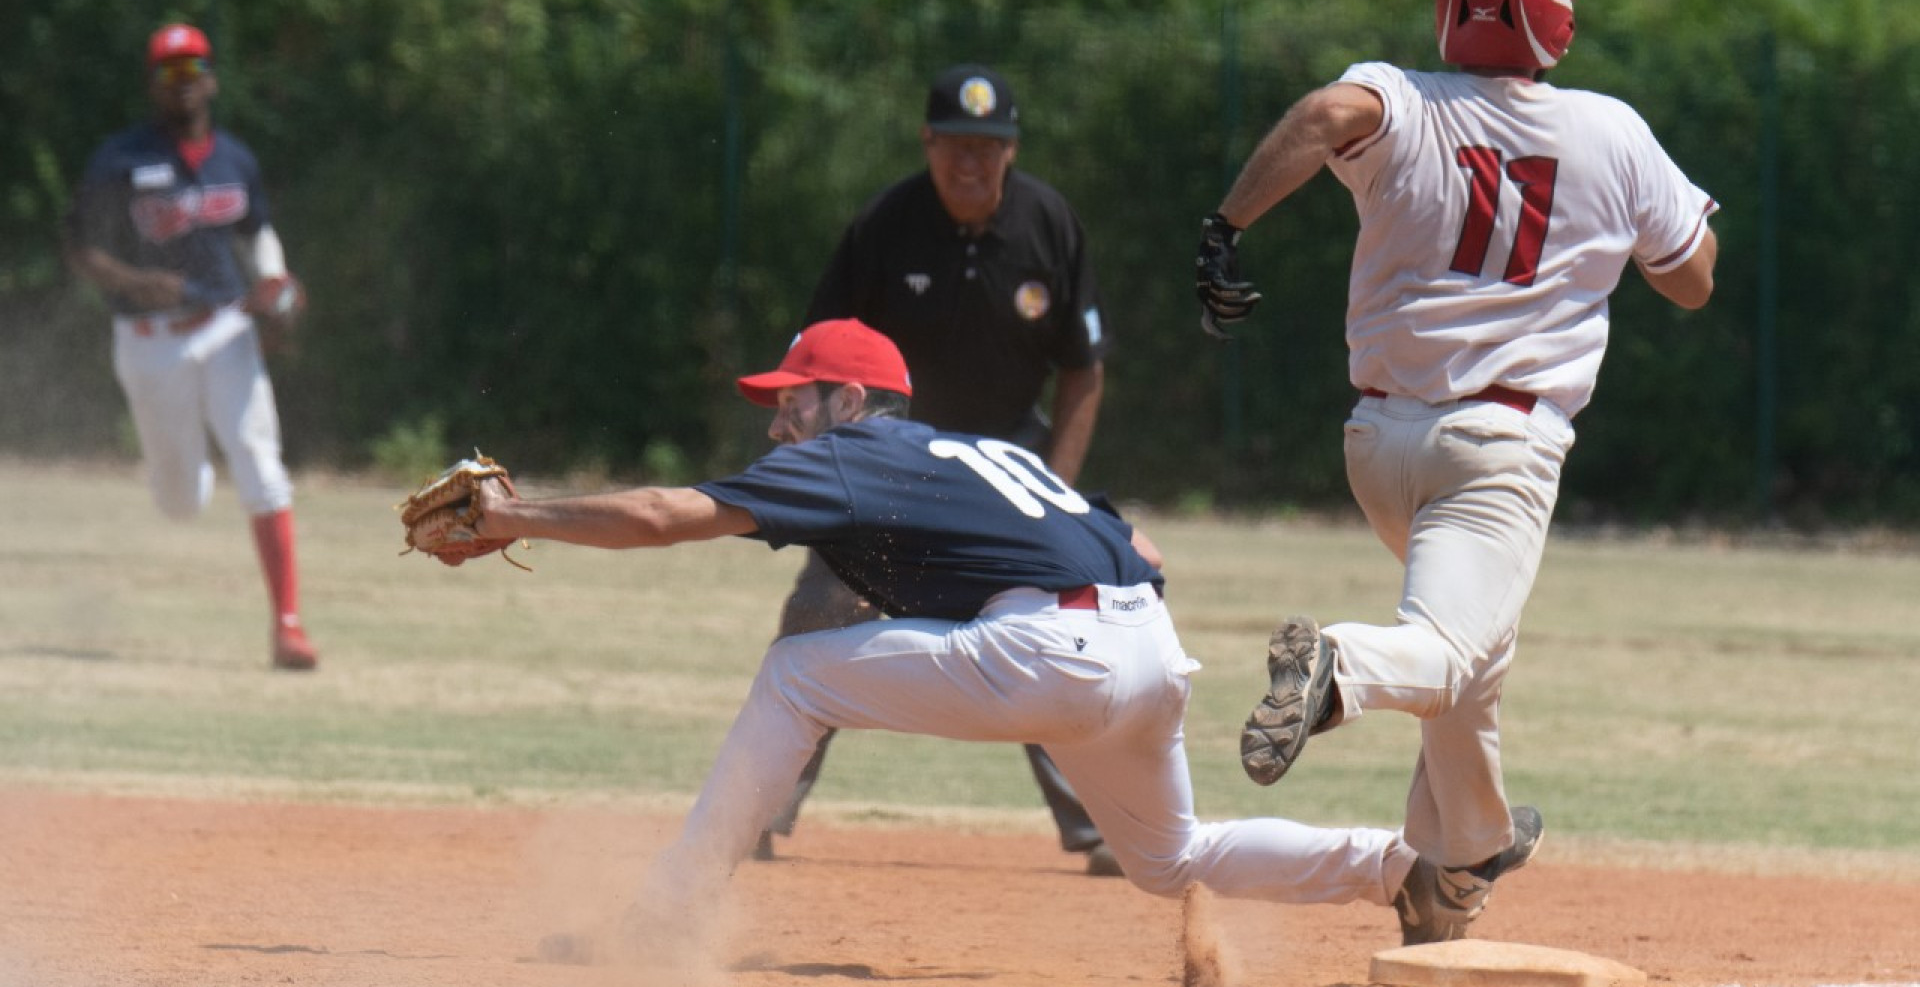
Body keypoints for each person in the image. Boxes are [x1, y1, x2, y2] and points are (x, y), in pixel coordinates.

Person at [462, 318, 1467, 966]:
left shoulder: (852, 456)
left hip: (1053, 659)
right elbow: (1145, 548)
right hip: (1149, 650)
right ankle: (1404, 868)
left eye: (791, 403)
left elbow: (662, 515)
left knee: (794, 675)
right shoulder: (983, 453)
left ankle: (671, 914)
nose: (778, 428)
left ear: (848, 404)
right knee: (1169, 857)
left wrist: (519, 516)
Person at [1192, 0, 1718, 943]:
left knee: (1476, 661)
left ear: (1448, 12)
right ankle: (1340, 668)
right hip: (1499, 451)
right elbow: (1693, 280)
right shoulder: (1608, 130)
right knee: (1439, 653)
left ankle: (1459, 862)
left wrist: (1226, 228)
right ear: (1557, 18)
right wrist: (1638, 240)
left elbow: (1319, 114)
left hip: (1378, 447)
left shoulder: (1397, 98)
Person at [762, 63, 1117, 873]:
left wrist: (1058, 487)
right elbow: (817, 355)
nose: (971, 162)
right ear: (927, 143)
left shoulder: (1048, 225)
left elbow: (1084, 368)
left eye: (988, 148)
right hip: (893, 474)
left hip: (1006, 475)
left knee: (1059, 637)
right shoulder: (887, 226)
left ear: (1012, 149)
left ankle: (1105, 826)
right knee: (821, 613)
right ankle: (760, 806)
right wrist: (825, 473)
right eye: (955, 144)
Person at [64, 23, 318, 671]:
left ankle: (288, 626)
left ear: (212, 78)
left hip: (227, 328)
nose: (183, 82)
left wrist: (275, 285)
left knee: (261, 462)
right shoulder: (121, 159)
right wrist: (134, 282)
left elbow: (259, 233)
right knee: (181, 502)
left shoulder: (235, 158)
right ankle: (187, 466)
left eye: (193, 67)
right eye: (169, 71)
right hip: (151, 343)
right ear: (153, 84)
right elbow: (82, 248)